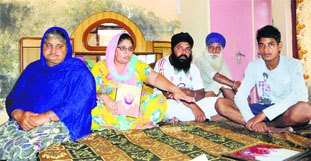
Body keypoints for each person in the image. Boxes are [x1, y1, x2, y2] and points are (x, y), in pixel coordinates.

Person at [0, 27, 97, 160]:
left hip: (61, 124)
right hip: (25, 120)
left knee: (18, 151)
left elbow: (77, 104)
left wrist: (44, 118)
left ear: (67, 48)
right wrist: (19, 114)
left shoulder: (78, 71)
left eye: (59, 47)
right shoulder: (33, 69)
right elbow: (13, 96)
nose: (53, 51)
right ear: (42, 47)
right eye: (48, 45)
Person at [215, 25, 311, 133]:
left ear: (279, 46)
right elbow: (240, 96)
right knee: (221, 103)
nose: (266, 50)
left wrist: (264, 115)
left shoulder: (293, 64)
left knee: (305, 109)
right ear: (258, 47)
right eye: (262, 45)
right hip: (261, 107)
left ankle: (266, 125)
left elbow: (300, 95)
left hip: (284, 110)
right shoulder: (254, 65)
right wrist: (250, 118)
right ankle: (265, 127)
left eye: (271, 45)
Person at [91, 33, 194, 130]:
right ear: (114, 49)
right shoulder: (100, 68)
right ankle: (139, 125)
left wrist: (175, 90)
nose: (127, 52)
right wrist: (104, 97)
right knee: (93, 109)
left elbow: (154, 78)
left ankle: (133, 124)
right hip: (110, 109)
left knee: (159, 100)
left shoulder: (136, 64)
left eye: (130, 48)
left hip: (135, 108)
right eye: (123, 48)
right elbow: (87, 93)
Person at [154, 32, 219, 123]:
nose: (184, 52)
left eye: (187, 49)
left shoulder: (193, 67)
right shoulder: (163, 64)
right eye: (180, 48)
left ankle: (192, 117)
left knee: (217, 101)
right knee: (167, 105)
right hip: (170, 102)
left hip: (191, 102)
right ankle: (208, 117)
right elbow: (168, 94)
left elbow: (200, 94)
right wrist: (194, 106)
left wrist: (187, 92)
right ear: (173, 49)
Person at [196, 32, 240, 100]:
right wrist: (235, 85)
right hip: (204, 94)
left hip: (219, 97)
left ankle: (238, 104)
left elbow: (229, 82)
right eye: (211, 47)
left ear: (221, 50)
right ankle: (238, 104)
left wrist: (237, 88)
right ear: (207, 48)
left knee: (225, 83)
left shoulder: (222, 63)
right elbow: (216, 76)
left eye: (218, 48)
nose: (214, 51)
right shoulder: (201, 60)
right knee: (222, 82)